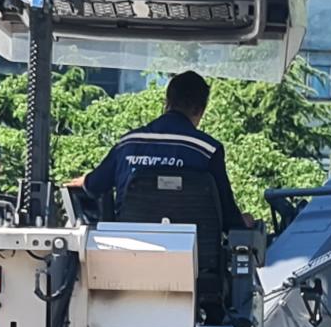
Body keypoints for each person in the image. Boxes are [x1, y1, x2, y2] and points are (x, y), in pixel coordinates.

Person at [79, 70, 252, 230]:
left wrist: (83, 181)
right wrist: (244, 221)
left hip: (132, 254)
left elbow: (93, 186)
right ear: (200, 110)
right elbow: (228, 216)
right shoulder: (207, 151)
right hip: (197, 259)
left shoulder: (127, 144)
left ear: (167, 102)